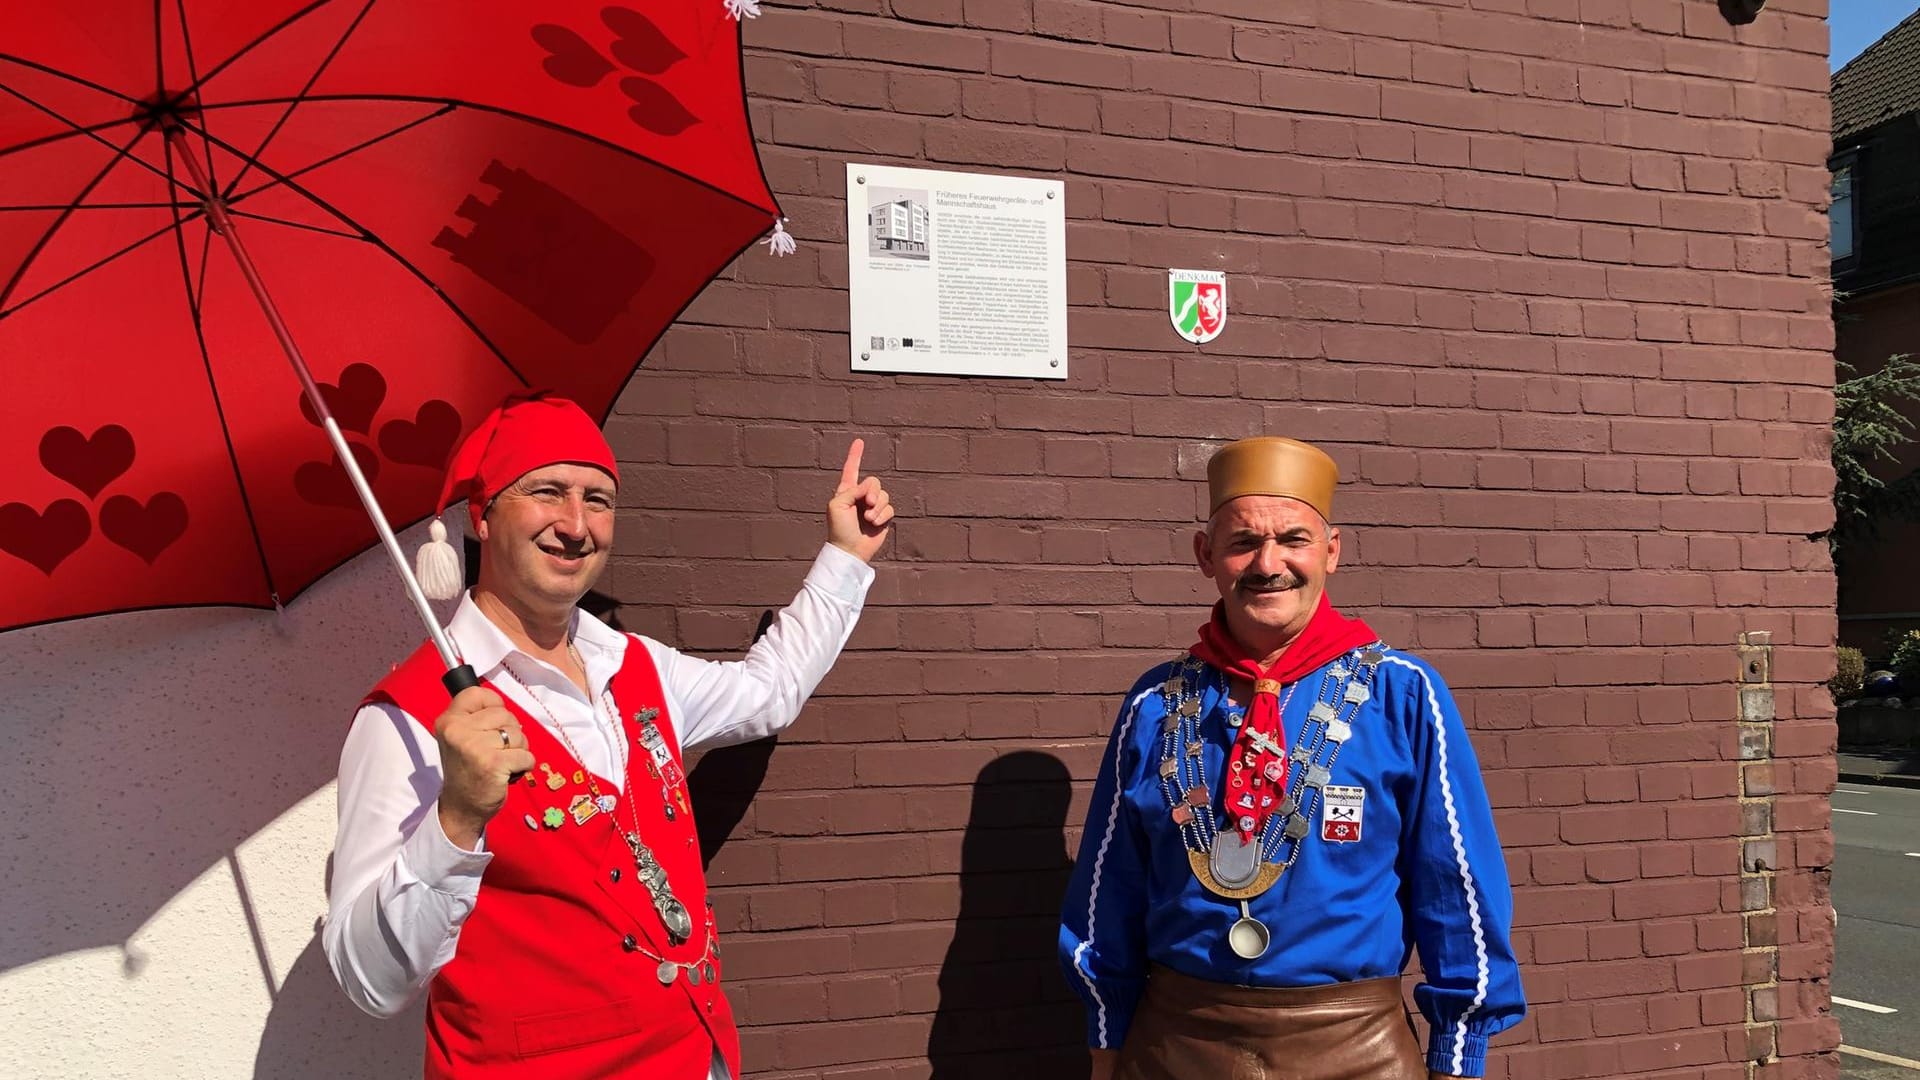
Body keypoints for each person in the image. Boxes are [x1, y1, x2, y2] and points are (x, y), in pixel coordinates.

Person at [324, 393, 892, 1078]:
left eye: (599, 499)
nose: (575, 524)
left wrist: (844, 559)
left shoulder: (636, 663)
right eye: (546, 492)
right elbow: (368, 981)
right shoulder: (406, 719)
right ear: (482, 515)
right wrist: (457, 820)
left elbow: (769, 694)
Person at [1058, 436, 1524, 1080]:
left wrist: (1457, 1055)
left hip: (1356, 1047)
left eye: (1294, 540)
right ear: (1206, 555)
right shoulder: (1156, 704)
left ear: (1332, 552)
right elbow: (1107, 894)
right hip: (1177, 1045)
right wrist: (1106, 1046)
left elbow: (1457, 887)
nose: (1267, 563)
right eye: (1243, 541)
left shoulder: (1403, 693)